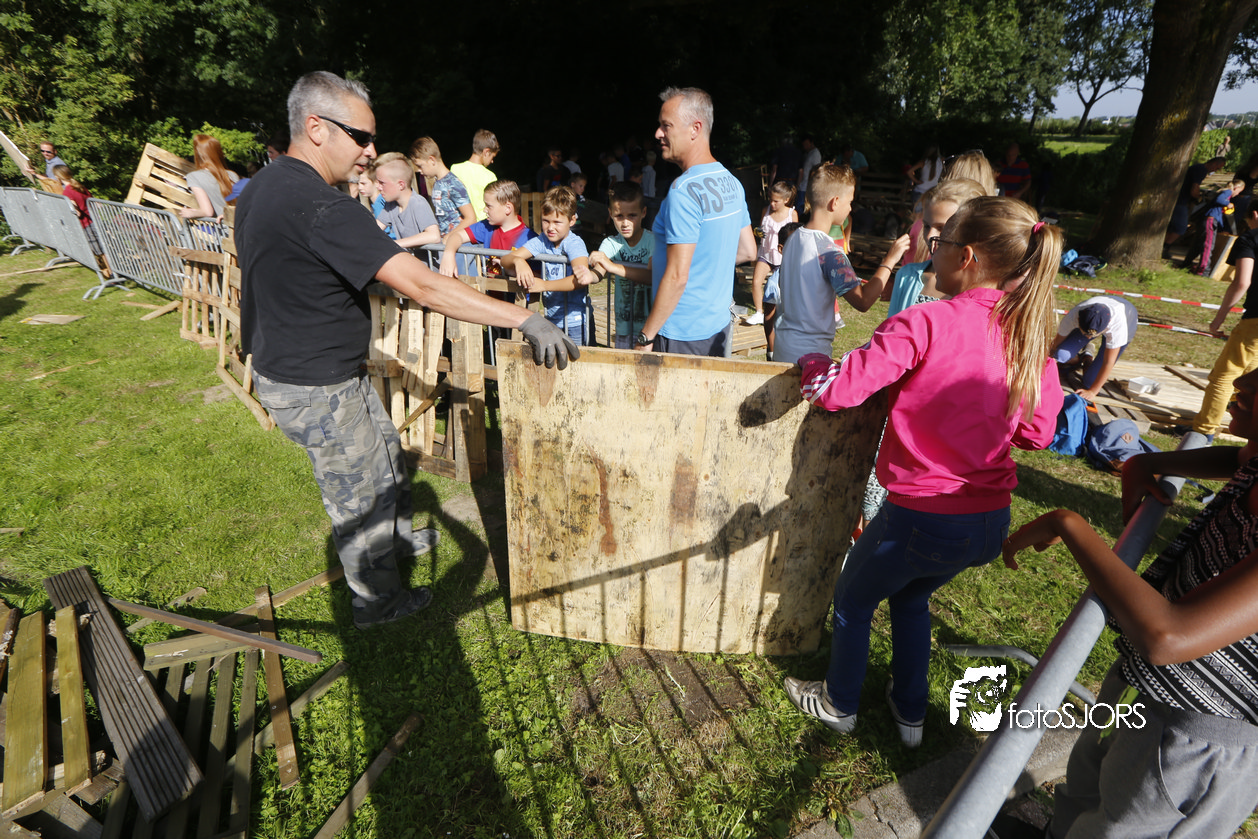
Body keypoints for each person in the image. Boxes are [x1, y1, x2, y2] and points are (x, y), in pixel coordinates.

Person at [236, 71, 577, 631]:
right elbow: (424, 285)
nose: (371, 151)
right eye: (361, 137)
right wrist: (525, 318)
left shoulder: (265, 187)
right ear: (316, 128)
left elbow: (289, 267)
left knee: (388, 458)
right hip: (315, 383)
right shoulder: (321, 205)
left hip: (312, 371)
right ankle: (377, 602)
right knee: (357, 493)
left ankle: (394, 543)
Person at [782, 196, 1064, 747]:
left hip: (919, 516)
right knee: (911, 599)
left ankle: (838, 703)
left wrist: (812, 363)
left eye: (939, 244)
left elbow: (835, 391)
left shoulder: (925, 322)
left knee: (853, 598)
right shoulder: (1029, 338)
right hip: (987, 522)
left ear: (967, 256)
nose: (932, 253)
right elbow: (1038, 433)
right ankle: (909, 712)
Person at [1000, 367, 1258, 839]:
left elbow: (1167, 636)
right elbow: (1241, 458)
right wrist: (1150, 461)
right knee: (1089, 782)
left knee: (1118, 827)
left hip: (1199, 735)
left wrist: (1068, 524)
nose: (1245, 381)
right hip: (1160, 689)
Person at [637, 86, 756, 356]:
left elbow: (677, 276)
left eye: (666, 125)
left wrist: (646, 337)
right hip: (718, 327)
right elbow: (748, 251)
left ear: (695, 129)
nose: (658, 133)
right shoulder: (731, 182)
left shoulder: (683, 191)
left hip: (681, 332)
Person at [774, 164, 907, 365]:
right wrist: (890, 260)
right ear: (835, 202)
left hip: (783, 346)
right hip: (808, 356)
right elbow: (863, 301)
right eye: (850, 202)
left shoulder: (793, 238)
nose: (851, 208)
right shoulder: (829, 251)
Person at [1193, 202, 1258, 440]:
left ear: (1255, 215)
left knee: (1224, 377)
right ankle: (1248, 427)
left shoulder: (1251, 238)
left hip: (1255, 321)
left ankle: (1203, 431)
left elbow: (1242, 282)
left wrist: (1218, 320)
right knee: (1252, 375)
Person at [500, 186, 595, 345]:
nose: (550, 227)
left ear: (572, 220)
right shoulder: (542, 241)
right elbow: (505, 260)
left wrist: (544, 285)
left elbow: (582, 278)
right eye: (546, 221)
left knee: (579, 360)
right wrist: (518, 261)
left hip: (576, 322)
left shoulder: (574, 243)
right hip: (552, 319)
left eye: (557, 222)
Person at [887, 178, 989, 315]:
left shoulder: (985, 289)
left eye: (942, 228)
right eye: (926, 226)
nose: (930, 236)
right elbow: (891, 326)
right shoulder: (907, 276)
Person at [589, 182, 655, 348]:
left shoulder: (652, 241)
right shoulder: (610, 243)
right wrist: (586, 274)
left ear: (643, 212)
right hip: (624, 327)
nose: (625, 223)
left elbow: (652, 276)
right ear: (611, 214)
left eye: (632, 215)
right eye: (619, 216)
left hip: (651, 327)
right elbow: (598, 272)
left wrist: (612, 266)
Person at [1051, 295, 1139, 403]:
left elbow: (1108, 362)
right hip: (1094, 318)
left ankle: (1087, 356)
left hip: (1127, 321)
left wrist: (1093, 391)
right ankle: (1078, 358)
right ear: (1078, 320)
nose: (1088, 338)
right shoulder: (1074, 315)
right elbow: (1055, 343)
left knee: (1090, 382)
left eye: (1092, 336)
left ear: (1107, 324)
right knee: (1061, 354)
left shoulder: (1117, 327)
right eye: (1085, 334)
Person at [438, 180, 533, 277]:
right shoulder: (486, 227)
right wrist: (449, 254)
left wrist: (511, 272)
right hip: (488, 286)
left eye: (489, 206)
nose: (484, 210)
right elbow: (457, 236)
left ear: (508, 208)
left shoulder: (530, 238)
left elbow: (537, 275)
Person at [746, 180, 799, 326]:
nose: (772, 203)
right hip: (766, 253)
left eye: (776, 201)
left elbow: (795, 236)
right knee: (756, 282)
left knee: (783, 287)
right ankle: (759, 313)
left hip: (783, 257)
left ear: (786, 200)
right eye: (771, 200)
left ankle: (784, 313)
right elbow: (760, 228)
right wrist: (757, 232)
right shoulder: (766, 210)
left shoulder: (792, 214)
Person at [408, 137, 474, 240]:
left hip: (459, 243)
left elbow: (471, 218)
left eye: (420, 166)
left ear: (432, 160)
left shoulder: (453, 183)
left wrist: (448, 237)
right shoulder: (437, 183)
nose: (419, 171)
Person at [51, 164, 110, 277]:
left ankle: (111, 273)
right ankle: (112, 271)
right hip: (95, 219)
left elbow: (77, 212)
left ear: (58, 177)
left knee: (99, 250)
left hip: (86, 224)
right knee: (103, 247)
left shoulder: (67, 192)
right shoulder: (79, 186)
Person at [374, 156, 440, 252]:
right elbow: (374, 230)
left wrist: (395, 244)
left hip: (426, 262)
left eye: (382, 183)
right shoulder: (390, 205)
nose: (378, 187)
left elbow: (434, 236)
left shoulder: (418, 203)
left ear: (401, 185)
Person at [1165, 156, 1226, 250]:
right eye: (1217, 168)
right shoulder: (1201, 170)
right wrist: (1199, 197)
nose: (1216, 170)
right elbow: (1194, 189)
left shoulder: (1198, 167)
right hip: (1181, 201)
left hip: (1176, 199)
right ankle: (1166, 246)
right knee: (1181, 227)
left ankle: (1163, 246)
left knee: (1171, 227)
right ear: (1214, 163)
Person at [180, 134, 239, 221]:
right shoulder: (233, 175)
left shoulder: (194, 177)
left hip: (221, 227)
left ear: (198, 153)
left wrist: (190, 213)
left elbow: (207, 211)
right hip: (240, 225)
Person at [1196, 177, 1245, 276]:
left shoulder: (1225, 192)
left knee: (1200, 244)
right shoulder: (1228, 192)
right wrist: (1228, 204)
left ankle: (1189, 264)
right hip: (1210, 220)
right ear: (1236, 188)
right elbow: (1219, 200)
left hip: (1210, 219)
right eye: (1239, 192)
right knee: (1209, 246)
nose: (1237, 194)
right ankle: (1203, 270)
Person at [449, 129, 500, 221]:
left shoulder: (455, 169)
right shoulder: (490, 176)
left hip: (461, 224)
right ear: (486, 152)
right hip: (482, 224)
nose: (492, 161)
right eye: (492, 157)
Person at [798, 135, 822, 213]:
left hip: (806, 187)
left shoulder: (815, 154)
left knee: (802, 208)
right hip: (802, 185)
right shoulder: (807, 154)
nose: (805, 147)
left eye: (806, 144)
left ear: (811, 143)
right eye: (803, 145)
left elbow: (816, 170)